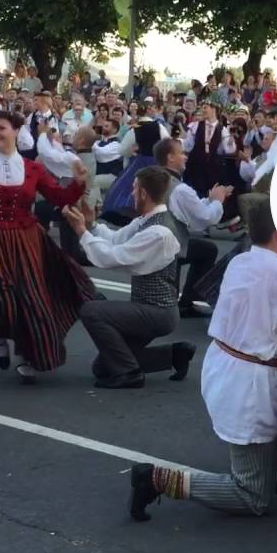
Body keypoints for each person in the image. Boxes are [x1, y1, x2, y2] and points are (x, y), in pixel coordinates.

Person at [127, 195, 277, 521]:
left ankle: (267, 467)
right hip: (247, 387)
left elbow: (266, 316)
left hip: (224, 370)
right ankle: (156, 479)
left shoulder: (242, 261)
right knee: (254, 499)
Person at [0, 111, 97, 384]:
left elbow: (60, 197)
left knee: (32, 299)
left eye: (1, 128)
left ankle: (27, 354)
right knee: (1, 298)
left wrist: (79, 183)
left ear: (16, 131)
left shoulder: (33, 168)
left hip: (26, 239)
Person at [65, 166, 197, 389]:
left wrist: (81, 232)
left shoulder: (159, 232)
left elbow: (113, 257)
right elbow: (116, 239)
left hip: (157, 313)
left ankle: (130, 374)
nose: (132, 194)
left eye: (134, 189)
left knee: (91, 311)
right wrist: (91, 225)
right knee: (103, 367)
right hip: (148, 309)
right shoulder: (148, 220)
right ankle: (175, 354)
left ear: (144, 193)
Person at [156, 138, 229, 318]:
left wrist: (209, 200)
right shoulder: (180, 189)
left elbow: (186, 209)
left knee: (204, 248)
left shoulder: (155, 178)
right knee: (208, 250)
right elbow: (204, 219)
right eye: (181, 153)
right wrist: (218, 201)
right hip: (171, 245)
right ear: (170, 157)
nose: (186, 157)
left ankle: (183, 300)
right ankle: (187, 301)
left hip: (154, 239)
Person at [183, 102, 235, 197]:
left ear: (213, 109)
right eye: (202, 108)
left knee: (210, 194)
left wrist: (231, 140)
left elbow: (229, 150)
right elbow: (188, 147)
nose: (203, 110)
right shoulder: (195, 126)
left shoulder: (222, 129)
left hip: (213, 169)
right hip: (196, 166)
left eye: (205, 108)